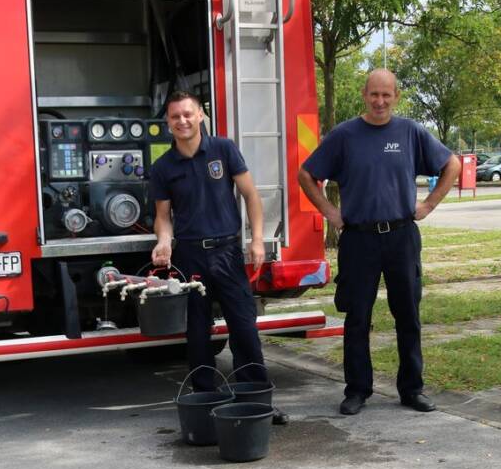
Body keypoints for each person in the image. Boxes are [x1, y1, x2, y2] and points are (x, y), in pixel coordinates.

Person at [298, 69, 460, 416]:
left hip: (402, 236)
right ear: (364, 94)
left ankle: (412, 389)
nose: (380, 101)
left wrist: (428, 204)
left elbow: (452, 164)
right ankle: (357, 390)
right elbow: (306, 174)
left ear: (396, 96)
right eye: (374, 94)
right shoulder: (345, 135)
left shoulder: (410, 132)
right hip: (359, 239)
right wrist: (329, 211)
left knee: (408, 315)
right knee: (357, 317)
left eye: (387, 95)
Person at [148, 91, 283, 421]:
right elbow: (163, 215)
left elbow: (250, 195)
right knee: (196, 332)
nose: (182, 120)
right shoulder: (163, 167)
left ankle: (256, 402)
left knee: (244, 327)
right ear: (167, 123)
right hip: (189, 257)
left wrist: (256, 240)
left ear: (201, 116)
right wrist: (164, 241)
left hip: (227, 251)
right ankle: (205, 401)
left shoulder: (223, 149)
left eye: (188, 114)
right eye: (175, 116)